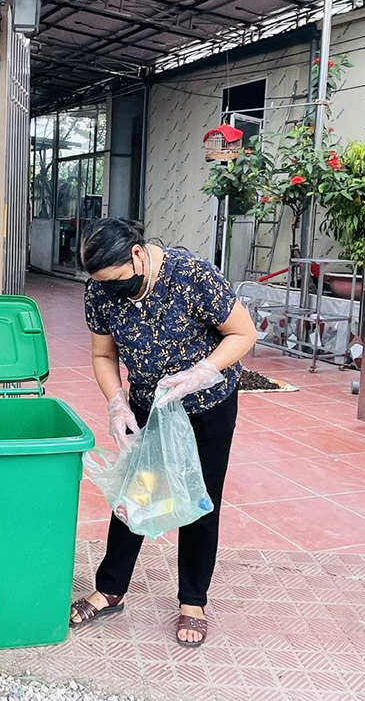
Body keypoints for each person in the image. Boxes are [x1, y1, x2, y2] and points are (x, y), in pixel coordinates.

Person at [69, 218, 256, 648]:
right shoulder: (100, 290)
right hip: (149, 408)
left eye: (116, 281)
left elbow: (243, 332)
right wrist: (117, 402)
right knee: (136, 493)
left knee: (201, 499)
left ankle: (193, 602)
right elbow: (103, 353)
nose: (110, 291)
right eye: (101, 284)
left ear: (137, 255)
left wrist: (204, 371)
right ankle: (110, 589)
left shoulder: (191, 276)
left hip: (206, 405)